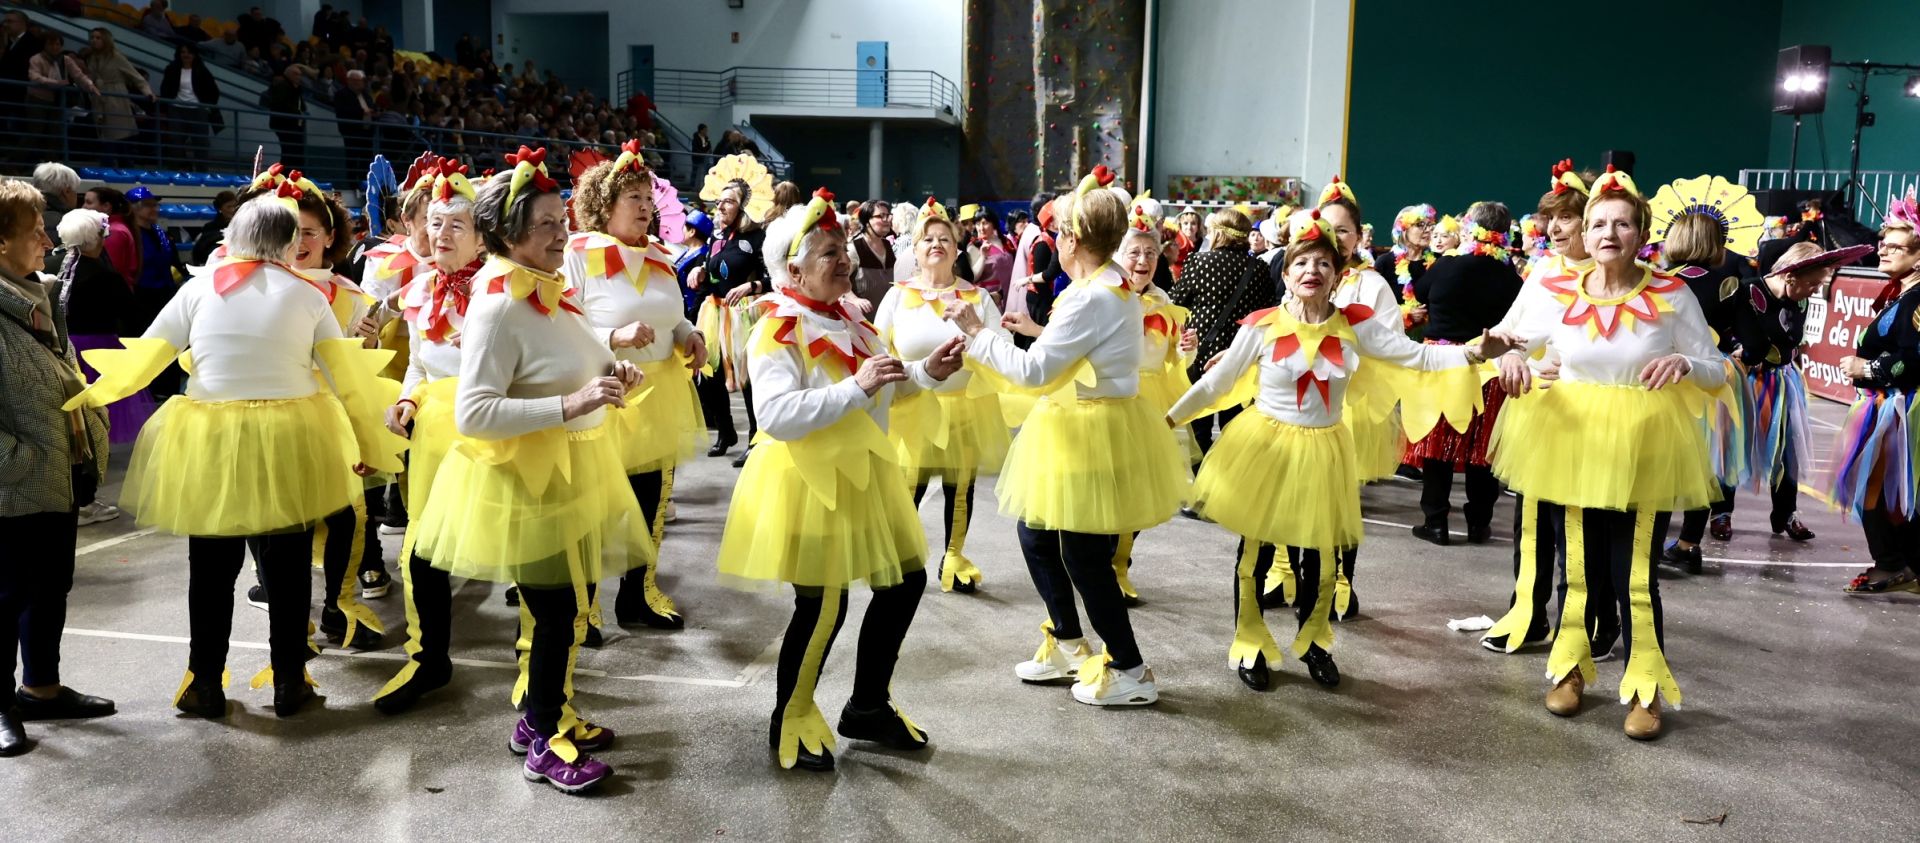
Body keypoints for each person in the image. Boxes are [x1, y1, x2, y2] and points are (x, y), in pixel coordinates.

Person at [67, 193, 402, 720]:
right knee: (286, 569)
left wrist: (86, 397)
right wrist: (366, 443)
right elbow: (347, 378)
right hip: (290, 435)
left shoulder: (198, 290)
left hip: (209, 437)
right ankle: (290, 682)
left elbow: (145, 357)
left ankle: (204, 683)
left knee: (210, 570)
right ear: (289, 242)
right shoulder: (308, 296)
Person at [1172, 210, 1506, 691]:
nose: (1312, 271)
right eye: (1302, 262)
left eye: (1323, 264)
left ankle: (1314, 643)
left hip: (1325, 448)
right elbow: (1215, 384)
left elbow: (1420, 356)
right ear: (1286, 273)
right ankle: (1249, 642)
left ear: (1337, 275)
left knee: (1322, 557)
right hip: (1265, 447)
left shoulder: (1355, 325)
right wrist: (1166, 418)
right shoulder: (1262, 326)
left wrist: (1476, 351)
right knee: (1256, 553)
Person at [408, 147, 650, 792]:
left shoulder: (549, 292)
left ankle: (544, 716)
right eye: (544, 224)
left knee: (563, 608)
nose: (560, 232)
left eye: (560, 219)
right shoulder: (497, 305)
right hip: (528, 478)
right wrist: (571, 402)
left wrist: (610, 371)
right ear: (507, 234)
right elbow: (476, 412)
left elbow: (580, 358)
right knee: (557, 609)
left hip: (568, 466)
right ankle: (545, 736)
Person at [716, 189, 965, 771]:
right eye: (827, 252)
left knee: (904, 581)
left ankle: (868, 705)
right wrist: (856, 388)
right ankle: (792, 716)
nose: (841, 259)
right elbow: (776, 415)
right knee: (822, 606)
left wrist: (925, 371)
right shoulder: (777, 327)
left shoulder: (849, 314)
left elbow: (887, 382)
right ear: (792, 269)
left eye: (839, 249)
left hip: (863, 474)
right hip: (809, 482)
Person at [1491, 167, 1726, 740]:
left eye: (1621, 223)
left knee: (1634, 575)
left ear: (1640, 231)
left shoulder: (1672, 294)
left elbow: (1718, 371)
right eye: (1597, 223)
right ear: (1583, 232)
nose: (1607, 233)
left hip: (1643, 447)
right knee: (1578, 567)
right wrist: (1510, 359)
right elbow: (1503, 341)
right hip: (1567, 440)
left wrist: (1687, 365)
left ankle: (1645, 686)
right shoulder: (1553, 288)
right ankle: (1570, 670)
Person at [949, 169, 1189, 707]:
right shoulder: (1103, 287)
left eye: (1058, 231)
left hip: (1088, 429)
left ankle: (1130, 669)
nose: (1053, 240)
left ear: (1072, 240)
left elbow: (1035, 372)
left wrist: (977, 333)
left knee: (1081, 555)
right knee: (1038, 535)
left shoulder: (1092, 297)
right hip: (1078, 425)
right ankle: (1068, 639)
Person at [570, 143, 711, 632]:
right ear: (604, 205)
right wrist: (613, 338)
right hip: (603, 392)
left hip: (660, 395)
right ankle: (581, 608)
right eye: (633, 196)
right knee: (592, 505)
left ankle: (637, 595)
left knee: (649, 499)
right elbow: (560, 326)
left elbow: (671, 314)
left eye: (648, 196)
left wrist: (689, 334)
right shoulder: (578, 254)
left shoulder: (659, 256)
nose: (645, 205)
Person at [0, 180, 117, 758]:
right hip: (14, 484)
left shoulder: (40, 296)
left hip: (58, 472)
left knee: (49, 587)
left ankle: (40, 688)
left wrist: (84, 446)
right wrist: (20, 463)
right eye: (36, 230)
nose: (48, 239)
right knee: (5, 594)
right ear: (1, 243)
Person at [1480, 159, 1607, 656]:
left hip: (1593, 415)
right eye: (1549, 217)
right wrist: (1508, 355)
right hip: (1539, 410)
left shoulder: (1609, 277)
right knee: (1530, 522)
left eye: (1568, 217)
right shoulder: (1541, 271)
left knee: (1580, 525)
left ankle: (1586, 621)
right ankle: (1527, 615)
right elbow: (1512, 332)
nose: (1554, 227)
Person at [372, 159, 482, 714]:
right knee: (422, 550)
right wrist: (408, 398)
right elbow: (417, 363)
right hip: (436, 431)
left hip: (496, 430)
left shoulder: (500, 289)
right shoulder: (419, 289)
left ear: (483, 234)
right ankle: (427, 656)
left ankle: (540, 667)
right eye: (435, 223)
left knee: (519, 552)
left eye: (456, 225)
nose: (440, 235)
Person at [873, 201, 1010, 595]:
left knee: (959, 489)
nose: (936, 245)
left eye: (944, 239)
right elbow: (877, 346)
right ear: (914, 250)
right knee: (906, 485)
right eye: (928, 239)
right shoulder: (898, 296)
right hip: (912, 404)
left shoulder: (977, 298)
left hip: (964, 407)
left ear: (957, 248)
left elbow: (998, 344)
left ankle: (954, 558)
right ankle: (900, 555)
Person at [1654, 198, 1768, 571]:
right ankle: (1688, 545)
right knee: (1705, 463)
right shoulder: (1731, 285)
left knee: (1659, 458)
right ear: (1717, 244)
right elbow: (1755, 346)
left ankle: (1648, 542)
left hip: (1662, 379)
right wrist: (1730, 359)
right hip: (1712, 382)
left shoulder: (1656, 283)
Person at [1404, 202, 1523, 546]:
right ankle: (1479, 523)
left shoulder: (1448, 264)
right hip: (1488, 368)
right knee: (1480, 449)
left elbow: (1419, 292)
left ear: (1472, 228)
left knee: (1437, 443)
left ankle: (1436, 522)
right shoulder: (1511, 277)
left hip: (1443, 361)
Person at [1834, 189, 1920, 597]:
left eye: (1894, 246)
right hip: (1886, 405)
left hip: (1900, 408)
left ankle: (1895, 563)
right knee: (1885, 488)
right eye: (1882, 244)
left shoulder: (1916, 300)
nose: (1883, 251)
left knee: (1881, 488)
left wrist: (1866, 368)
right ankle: (1899, 562)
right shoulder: (1902, 294)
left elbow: (1914, 357)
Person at [1170, 208, 1271, 456]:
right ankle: (1226, 469)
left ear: (1217, 233)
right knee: (1233, 421)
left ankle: (1199, 474)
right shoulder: (1258, 268)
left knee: (1199, 420)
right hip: (1239, 353)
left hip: (1201, 349)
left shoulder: (1199, 262)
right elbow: (1266, 311)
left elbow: (1176, 303)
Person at [693, 155, 773, 462]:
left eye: (728, 201)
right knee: (710, 375)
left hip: (746, 314)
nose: (720, 206)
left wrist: (752, 287)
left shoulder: (757, 238)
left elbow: (773, 277)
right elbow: (710, 267)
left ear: (743, 206)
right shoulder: (716, 235)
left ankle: (756, 437)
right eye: (719, 200)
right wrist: (699, 271)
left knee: (749, 378)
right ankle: (726, 432)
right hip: (713, 312)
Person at [57, 208, 146, 469]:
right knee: (100, 408)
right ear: (97, 238)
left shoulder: (52, 270)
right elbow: (132, 317)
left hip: (63, 346)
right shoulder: (107, 278)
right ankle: (94, 453)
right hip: (99, 348)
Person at [83, 30, 154, 151]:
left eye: (98, 38)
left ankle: (121, 164)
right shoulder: (92, 58)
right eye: (92, 37)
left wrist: (148, 92)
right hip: (99, 97)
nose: (94, 40)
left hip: (116, 96)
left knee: (120, 135)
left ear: (106, 40)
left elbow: (136, 76)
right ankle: (108, 163)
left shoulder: (116, 57)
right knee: (104, 134)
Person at [160, 43, 220, 165]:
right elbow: (165, 88)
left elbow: (213, 90)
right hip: (176, 109)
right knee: (175, 141)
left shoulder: (201, 70)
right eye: (183, 52)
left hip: (197, 110)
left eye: (189, 52)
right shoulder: (172, 68)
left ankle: (201, 170)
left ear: (194, 55)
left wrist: (207, 106)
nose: (186, 55)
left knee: (200, 142)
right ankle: (180, 168)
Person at [848, 199, 894, 310]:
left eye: (888, 216)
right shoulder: (854, 248)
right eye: (881, 216)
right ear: (867, 221)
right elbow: (838, 280)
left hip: (887, 320)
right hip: (863, 320)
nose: (887, 220)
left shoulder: (888, 246)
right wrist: (854, 299)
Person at [265, 65, 307, 168]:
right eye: (296, 74)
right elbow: (281, 104)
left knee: (293, 153)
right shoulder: (282, 86)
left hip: (292, 125)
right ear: (288, 74)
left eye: (300, 75)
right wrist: (298, 112)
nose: (298, 77)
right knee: (289, 153)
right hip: (284, 125)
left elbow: (301, 105)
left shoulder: (295, 89)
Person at [190, 190, 238, 265]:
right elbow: (201, 250)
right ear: (220, 209)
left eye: (234, 206)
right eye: (229, 207)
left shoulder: (240, 225)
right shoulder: (210, 227)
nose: (232, 210)